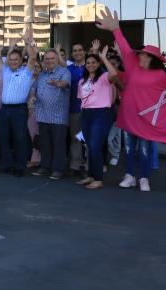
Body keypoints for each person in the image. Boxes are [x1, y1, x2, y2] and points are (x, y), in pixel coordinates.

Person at [95, 7, 166, 192]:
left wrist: (160, 113)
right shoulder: (133, 67)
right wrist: (116, 29)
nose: (138, 55)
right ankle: (130, 175)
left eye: (142, 54)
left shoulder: (162, 75)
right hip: (129, 116)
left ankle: (144, 178)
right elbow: (124, 47)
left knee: (144, 150)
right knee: (130, 149)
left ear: (151, 57)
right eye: (139, 53)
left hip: (147, 120)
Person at [0, 25, 37, 176]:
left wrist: (28, 42)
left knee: (20, 139)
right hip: (5, 109)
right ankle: (7, 165)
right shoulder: (5, 71)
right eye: (11, 59)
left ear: (20, 60)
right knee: (2, 138)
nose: (13, 61)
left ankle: (20, 167)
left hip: (19, 110)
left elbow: (33, 58)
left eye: (16, 59)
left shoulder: (27, 72)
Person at [76, 47, 116, 189]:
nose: (91, 64)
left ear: (98, 64)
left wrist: (104, 58)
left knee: (94, 145)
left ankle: (98, 179)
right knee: (89, 146)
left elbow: (114, 74)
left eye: (94, 62)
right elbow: (82, 100)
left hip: (101, 114)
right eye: (88, 62)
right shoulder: (82, 81)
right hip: (86, 114)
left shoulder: (104, 77)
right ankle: (91, 175)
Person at [29, 49, 70, 180]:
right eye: (47, 59)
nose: (49, 61)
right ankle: (45, 167)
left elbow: (65, 84)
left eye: (52, 58)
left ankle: (58, 169)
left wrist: (57, 84)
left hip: (58, 116)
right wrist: (32, 97)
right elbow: (34, 88)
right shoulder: (42, 74)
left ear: (57, 59)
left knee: (58, 144)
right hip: (43, 115)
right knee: (45, 143)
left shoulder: (64, 72)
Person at [66, 42, 87, 176]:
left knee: (88, 140)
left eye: (80, 50)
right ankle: (75, 166)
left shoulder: (92, 66)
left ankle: (88, 167)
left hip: (91, 111)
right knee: (76, 139)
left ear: (84, 52)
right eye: (74, 51)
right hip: (74, 109)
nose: (77, 52)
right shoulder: (69, 69)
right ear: (72, 54)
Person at [27, 58, 43, 168]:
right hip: (27, 110)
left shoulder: (42, 80)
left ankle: (36, 159)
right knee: (31, 135)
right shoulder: (27, 80)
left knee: (35, 136)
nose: (35, 69)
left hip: (38, 111)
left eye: (37, 67)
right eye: (34, 66)